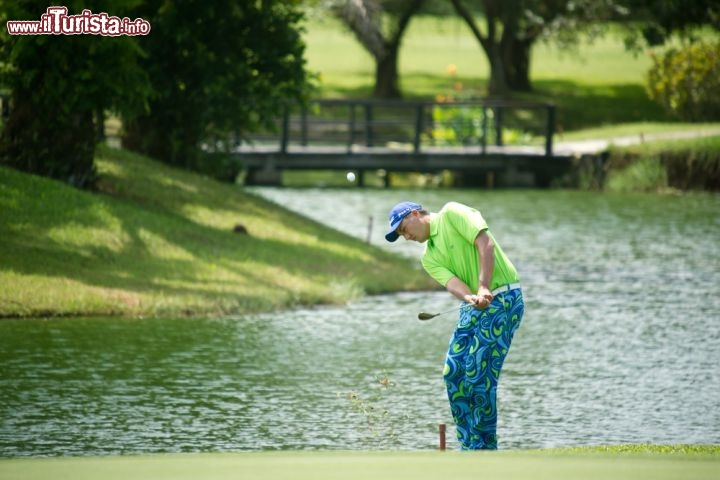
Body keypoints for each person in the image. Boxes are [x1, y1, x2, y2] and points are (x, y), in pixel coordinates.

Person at [385, 200, 524, 450]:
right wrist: (470, 296)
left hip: (503, 297)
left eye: (404, 229)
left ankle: (483, 447)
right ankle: (468, 445)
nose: (405, 237)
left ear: (415, 214)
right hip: (473, 305)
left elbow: (486, 244)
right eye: (400, 235)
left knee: (477, 374)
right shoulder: (429, 258)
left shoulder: (452, 213)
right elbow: (452, 284)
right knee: (454, 372)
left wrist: (483, 286)